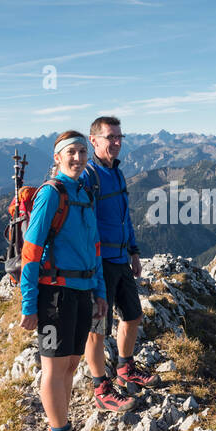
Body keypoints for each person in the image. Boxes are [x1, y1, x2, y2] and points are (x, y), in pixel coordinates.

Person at [19, 130, 106, 431]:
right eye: (70, 152)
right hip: (55, 294)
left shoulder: (84, 192)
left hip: (83, 292)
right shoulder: (51, 194)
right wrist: (29, 304)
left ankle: (64, 430)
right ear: (56, 157)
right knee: (54, 368)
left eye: (82, 152)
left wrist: (98, 290)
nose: (78, 157)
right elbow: (32, 249)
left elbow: (94, 246)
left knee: (70, 363)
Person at [81, 115, 162, 402]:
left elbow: (125, 217)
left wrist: (134, 251)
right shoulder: (88, 176)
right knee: (97, 329)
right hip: (98, 263)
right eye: (109, 137)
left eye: (119, 137)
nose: (116, 142)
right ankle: (101, 387)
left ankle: (125, 368)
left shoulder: (116, 172)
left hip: (120, 259)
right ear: (94, 140)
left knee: (133, 315)